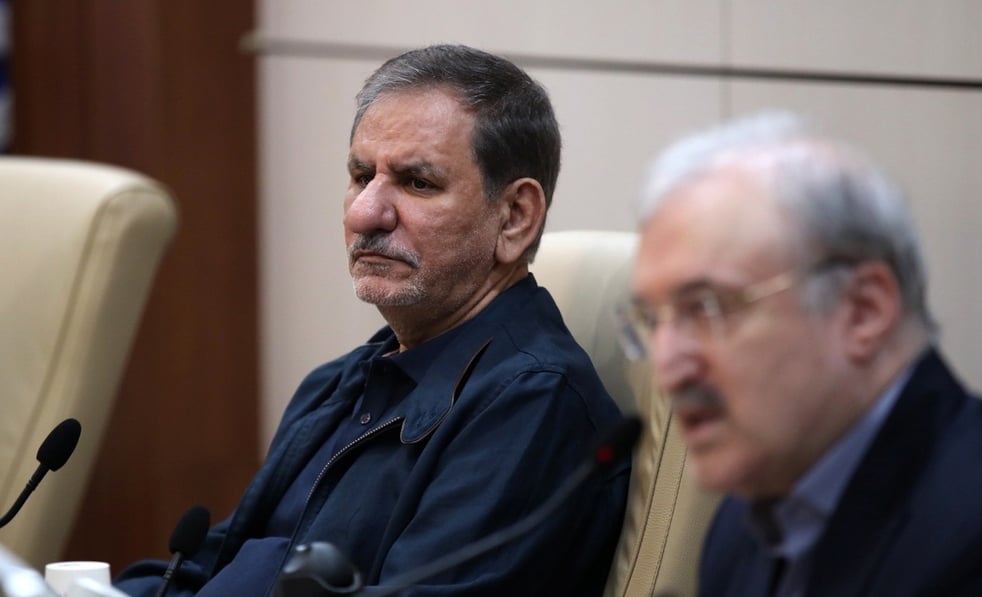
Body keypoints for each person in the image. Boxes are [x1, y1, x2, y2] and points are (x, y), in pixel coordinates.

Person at [115, 44, 629, 596]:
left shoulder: (531, 405)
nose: (365, 214)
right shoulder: (339, 382)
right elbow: (203, 569)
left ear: (514, 218)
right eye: (362, 176)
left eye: (417, 183)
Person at [621, 112, 982, 596]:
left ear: (862, 311)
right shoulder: (742, 521)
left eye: (707, 309)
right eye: (653, 320)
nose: (668, 366)